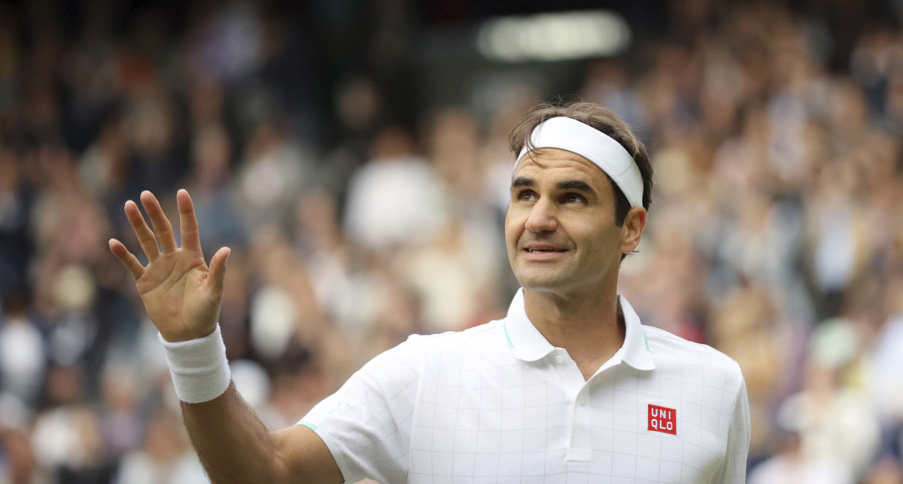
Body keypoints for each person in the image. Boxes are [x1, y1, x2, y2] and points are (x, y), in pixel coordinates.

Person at [107, 102, 751, 483]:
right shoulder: (424, 372)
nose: (538, 218)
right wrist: (193, 349)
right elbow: (267, 473)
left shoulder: (713, 386)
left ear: (630, 229)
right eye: (524, 194)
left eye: (572, 197)